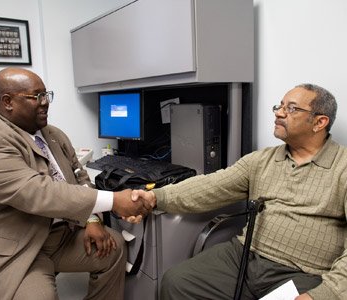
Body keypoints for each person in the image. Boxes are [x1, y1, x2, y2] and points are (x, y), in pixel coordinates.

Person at [132, 84, 347, 300]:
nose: (279, 113)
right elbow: (212, 186)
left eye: (291, 109)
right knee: (177, 282)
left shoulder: (342, 167)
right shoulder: (262, 160)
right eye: (279, 106)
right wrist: (156, 197)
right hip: (246, 255)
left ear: (320, 122)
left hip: (304, 272)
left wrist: (323, 294)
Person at [0, 67, 148, 300]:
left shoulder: (53, 135)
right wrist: (113, 201)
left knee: (114, 247)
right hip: (15, 247)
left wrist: (92, 219)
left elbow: (80, 177)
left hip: (58, 236)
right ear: (8, 102)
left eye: (46, 95)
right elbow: (37, 192)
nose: (45, 103)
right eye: (36, 96)